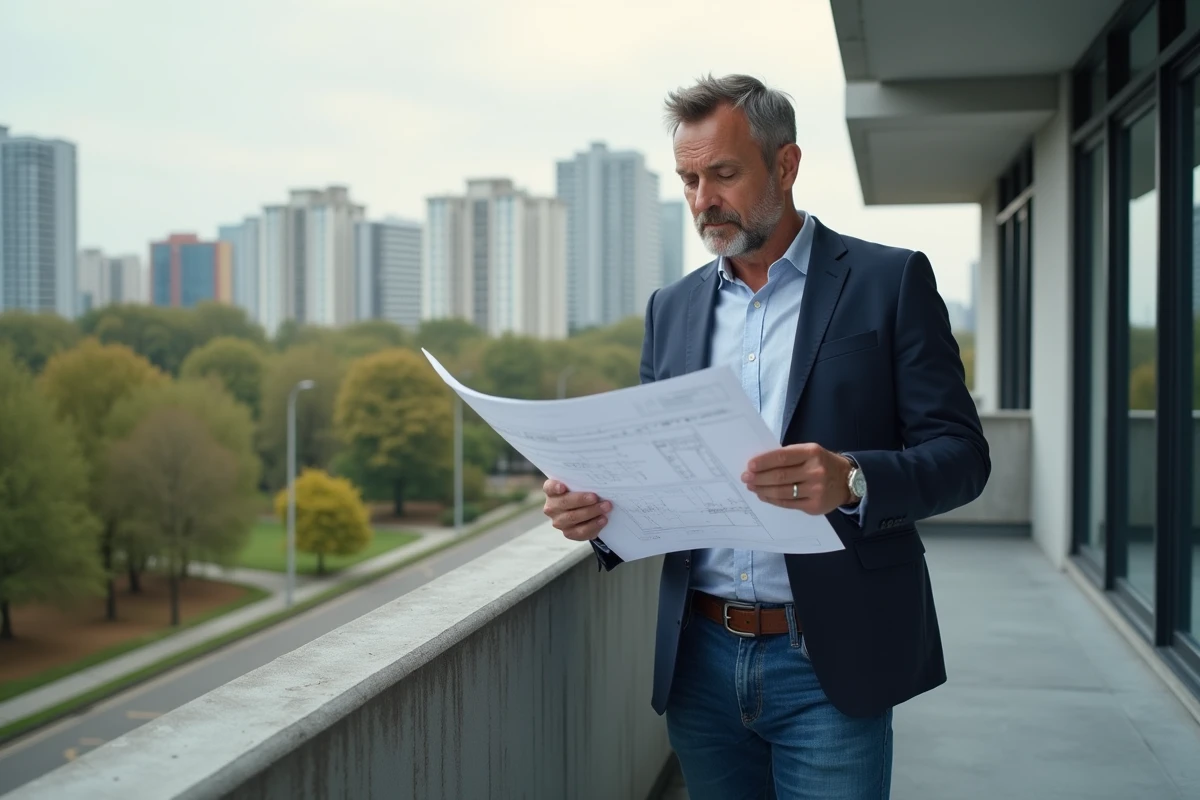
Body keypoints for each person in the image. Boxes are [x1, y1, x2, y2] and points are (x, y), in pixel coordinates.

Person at [541, 74, 990, 800]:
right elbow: (658, 473)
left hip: (831, 660)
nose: (701, 201)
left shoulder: (889, 281)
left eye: (723, 173)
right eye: (688, 179)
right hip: (700, 662)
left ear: (785, 165)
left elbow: (964, 458)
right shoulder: (672, 309)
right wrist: (595, 514)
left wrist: (855, 477)